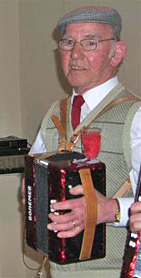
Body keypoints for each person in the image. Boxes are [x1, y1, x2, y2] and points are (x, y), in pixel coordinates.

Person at [28, 6, 141, 277]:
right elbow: (33, 181)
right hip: (57, 269)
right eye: (68, 43)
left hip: (113, 271)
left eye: (90, 43)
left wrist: (110, 210)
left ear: (117, 52)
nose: (75, 54)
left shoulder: (135, 116)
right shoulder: (56, 112)